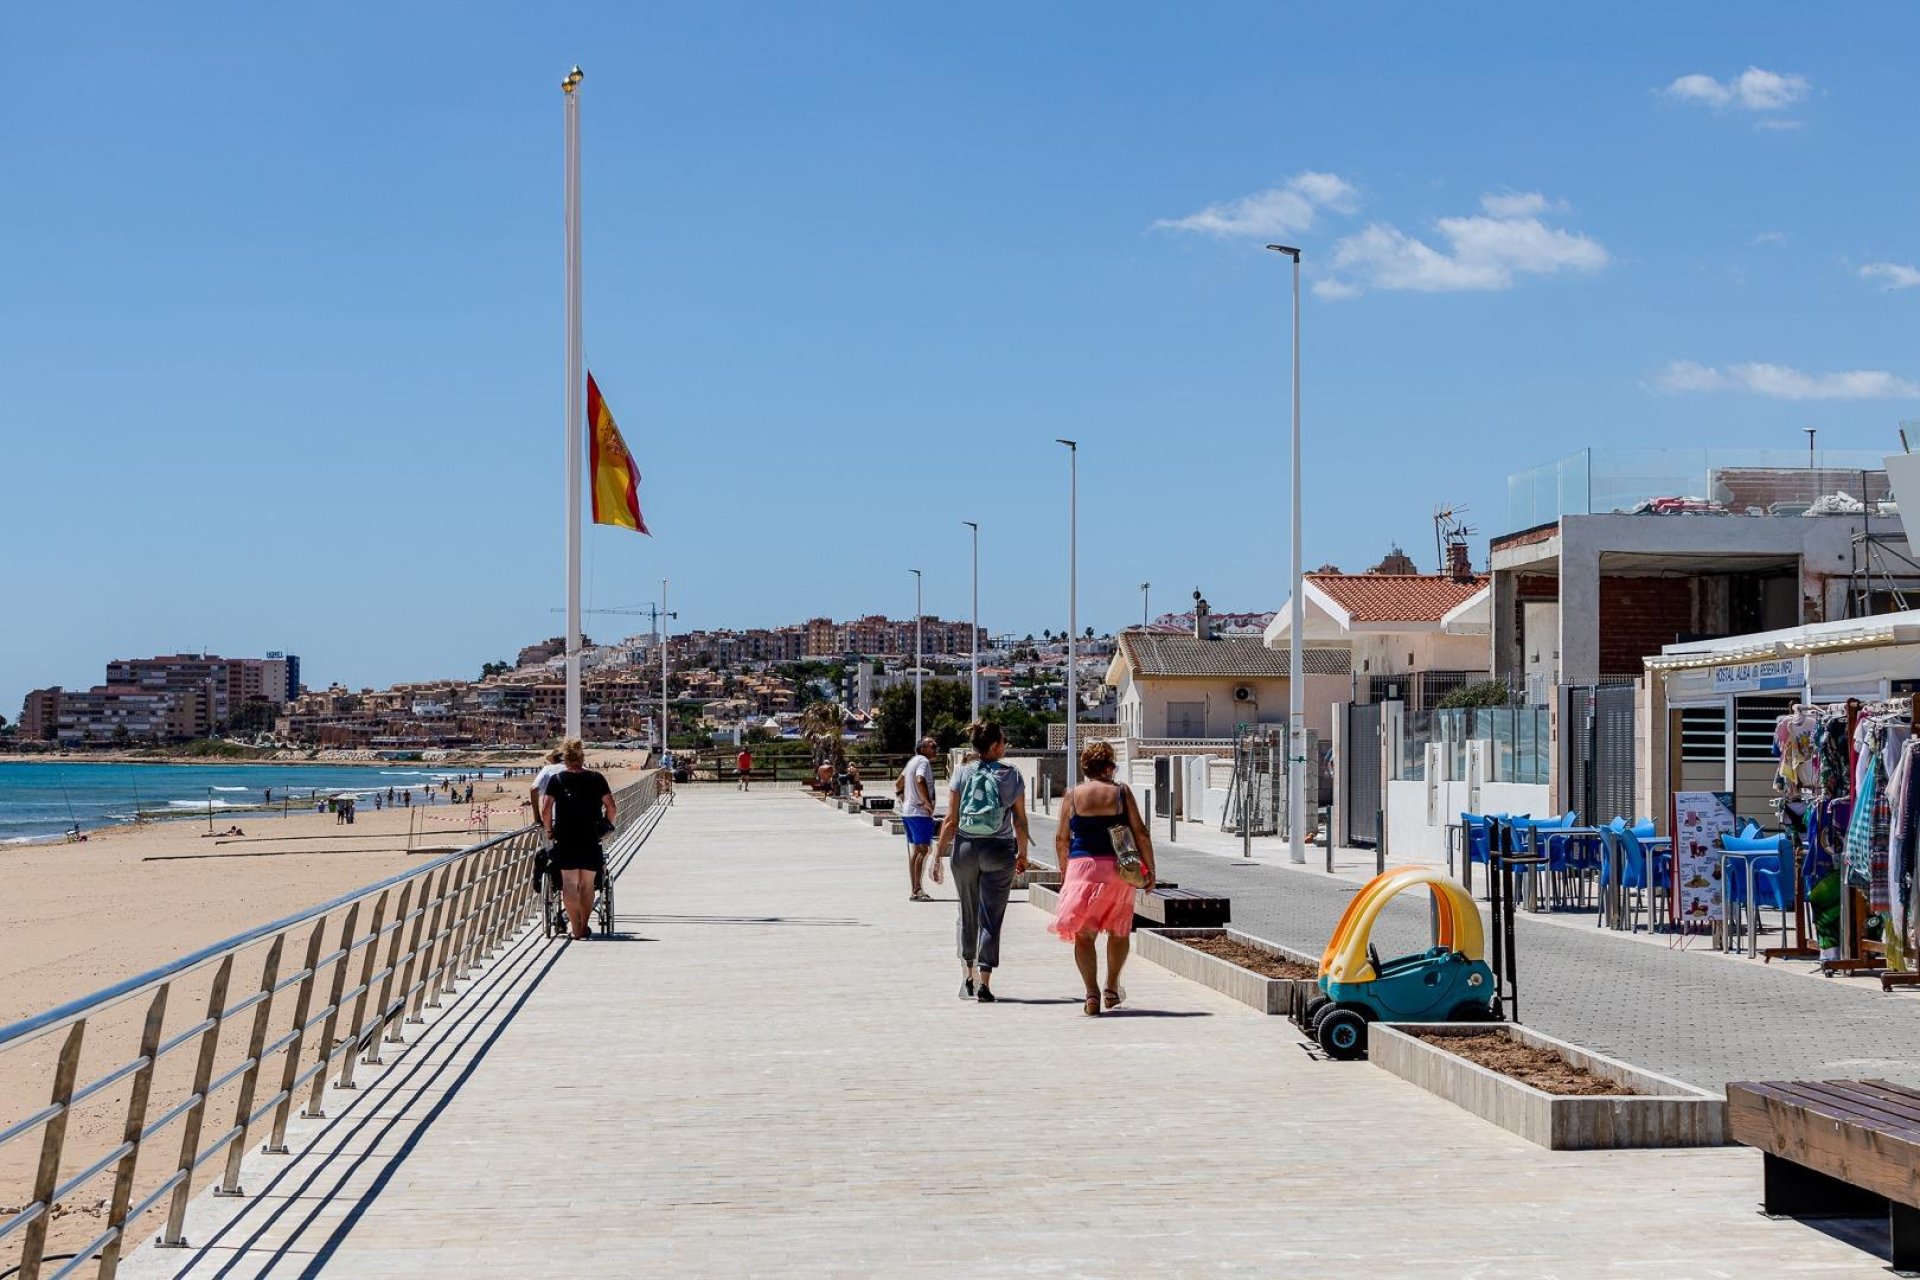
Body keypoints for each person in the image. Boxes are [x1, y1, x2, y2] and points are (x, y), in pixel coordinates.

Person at [1051, 740, 1156, 1016]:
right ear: (1109, 767)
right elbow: (1141, 832)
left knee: (1084, 935)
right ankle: (1111, 987)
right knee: (1119, 929)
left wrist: (1065, 874)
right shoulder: (1121, 793)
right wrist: (1150, 869)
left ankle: (1091, 995)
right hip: (1117, 869)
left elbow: (1062, 838)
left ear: (1085, 766)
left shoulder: (1072, 795)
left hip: (1081, 867)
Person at [935, 721, 1029, 1003]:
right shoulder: (1011, 775)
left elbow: (951, 820)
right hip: (999, 850)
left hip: (965, 848)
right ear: (994, 746)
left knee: (967, 912)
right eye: (1003, 741)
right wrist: (1022, 854)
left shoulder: (962, 773)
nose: (1006, 745)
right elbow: (1020, 821)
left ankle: (968, 976)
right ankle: (985, 982)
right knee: (991, 917)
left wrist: (938, 856)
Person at [541, 738, 617, 940]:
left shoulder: (556, 780)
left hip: (565, 838)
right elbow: (611, 807)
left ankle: (575, 928)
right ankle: (584, 925)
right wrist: (606, 825)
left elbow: (546, 809)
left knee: (569, 883)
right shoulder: (596, 778)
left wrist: (549, 830)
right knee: (587, 884)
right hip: (590, 837)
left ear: (564, 759)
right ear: (582, 757)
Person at [897, 737, 940, 901]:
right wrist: (927, 803)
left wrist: (903, 798)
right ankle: (917, 889)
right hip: (919, 813)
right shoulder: (923, 761)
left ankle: (915, 889)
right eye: (932, 746)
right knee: (923, 850)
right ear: (922, 749)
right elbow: (920, 779)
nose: (935, 748)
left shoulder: (912, 761)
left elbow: (898, 783)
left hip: (908, 812)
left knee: (917, 851)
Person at [530, 748, 565, 834]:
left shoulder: (548, 769)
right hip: (582, 820)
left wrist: (537, 818)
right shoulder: (581, 768)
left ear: (552, 759)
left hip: (554, 820)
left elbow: (534, 789)